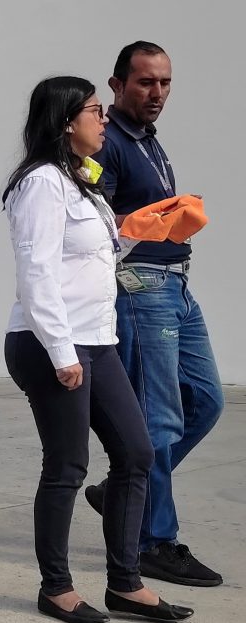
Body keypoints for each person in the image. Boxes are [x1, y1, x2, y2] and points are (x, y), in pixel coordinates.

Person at [3, 76, 191, 623]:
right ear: (66, 122)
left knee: (136, 453)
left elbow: (94, 256)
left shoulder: (80, 183)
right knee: (67, 466)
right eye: (94, 111)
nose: (104, 120)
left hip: (98, 341)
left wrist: (143, 229)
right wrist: (62, 353)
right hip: (51, 343)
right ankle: (55, 588)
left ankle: (125, 584)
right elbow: (36, 271)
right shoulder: (41, 182)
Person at [87, 41, 224, 588]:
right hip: (141, 288)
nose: (157, 93)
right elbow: (99, 222)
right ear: (118, 84)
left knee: (207, 402)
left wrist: (173, 215)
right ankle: (153, 541)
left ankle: (125, 487)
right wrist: (155, 217)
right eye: (145, 83)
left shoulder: (149, 140)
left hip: (177, 287)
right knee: (160, 419)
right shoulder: (109, 144)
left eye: (165, 82)